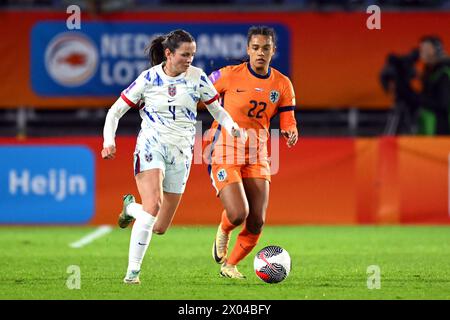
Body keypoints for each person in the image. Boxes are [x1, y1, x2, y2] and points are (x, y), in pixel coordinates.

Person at [101, 29, 244, 284]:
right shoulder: (148, 79)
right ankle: (132, 274)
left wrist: (232, 126)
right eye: (184, 54)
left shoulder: (198, 78)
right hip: (151, 145)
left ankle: (130, 207)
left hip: (182, 153)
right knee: (153, 204)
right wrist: (108, 142)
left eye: (193, 54)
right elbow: (115, 111)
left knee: (159, 226)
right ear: (168, 53)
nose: (189, 59)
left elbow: (218, 110)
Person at [206, 26, 298, 279]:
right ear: (247, 50)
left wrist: (291, 130)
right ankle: (224, 229)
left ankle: (230, 265)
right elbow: (198, 96)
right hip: (225, 149)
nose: (260, 53)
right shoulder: (227, 75)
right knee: (238, 214)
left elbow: (288, 118)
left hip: (257, 154)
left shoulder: (282, 83)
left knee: (257, 220)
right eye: (255, 48)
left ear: (273, 51)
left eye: (265, 48)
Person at [418, 35, 450, 135]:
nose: (421, 53)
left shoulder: (444, 72)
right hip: (431, 125)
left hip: (442, 127)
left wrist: (416, 98)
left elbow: (442, 104)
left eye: (425, 49)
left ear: (434, 50)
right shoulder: (429, 71)